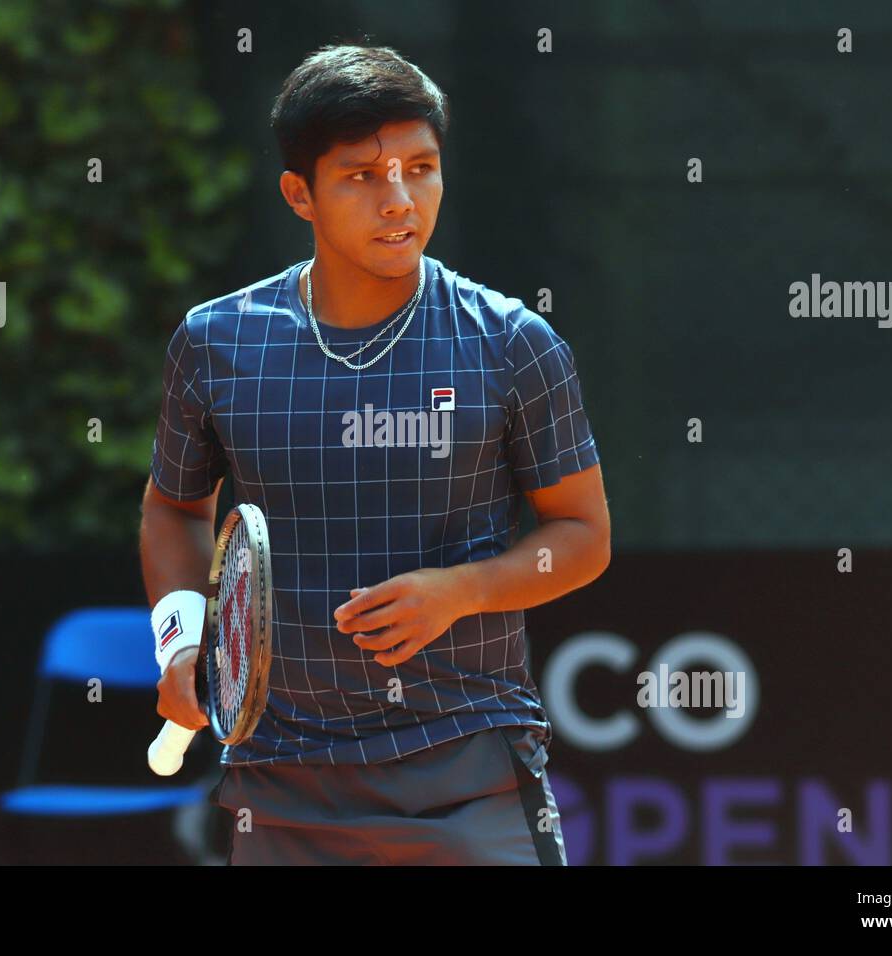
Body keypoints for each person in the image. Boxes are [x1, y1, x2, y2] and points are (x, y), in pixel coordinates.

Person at [139, 43, 609, 865]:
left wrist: (459, 592)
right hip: (279, 780)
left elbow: (582, 535)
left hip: (471, 770)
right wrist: (181, 641)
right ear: (300, 194)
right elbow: (174, 508)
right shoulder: (213, 343)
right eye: (362, 176)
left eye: (420, 168)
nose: (400, 200)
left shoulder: (514, 345)